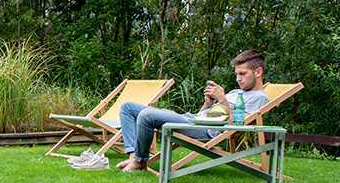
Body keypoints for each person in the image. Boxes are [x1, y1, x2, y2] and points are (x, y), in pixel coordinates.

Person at [116, 49, 270, 172]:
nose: (238, 79)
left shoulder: (259, 97)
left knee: (146, 115)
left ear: (258, 72)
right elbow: (207, 114)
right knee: (127, 107)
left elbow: (235, 128)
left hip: (203, 130)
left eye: (242, 74)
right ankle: (133, 157)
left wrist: (222, 100)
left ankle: (139, 161)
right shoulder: (238, 92)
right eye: (237, 74)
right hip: (193, 119)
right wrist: (208, 104)